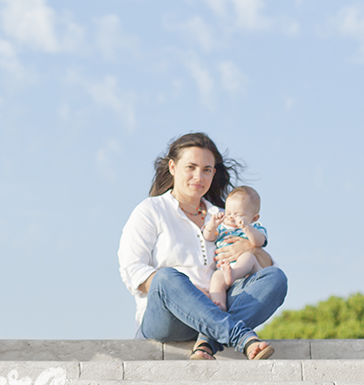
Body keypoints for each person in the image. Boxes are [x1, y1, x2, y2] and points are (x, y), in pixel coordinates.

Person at [118, 132, 288, 360]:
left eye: (207, 169)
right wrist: (189, 293)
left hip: (219, 303)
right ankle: (239, 336)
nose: (199, 176)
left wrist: (252, 249)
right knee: (166, 277)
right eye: (191, 167)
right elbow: (133, 271)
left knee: (276, 278)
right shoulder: (151, 210)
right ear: (172, 167)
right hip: (168, 319)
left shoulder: (224, 216)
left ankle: (207, 340)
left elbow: (266, 270)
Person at [201, 185, 271, 311]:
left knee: (248, 256)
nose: (232, 217)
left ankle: (234, 273)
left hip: (248, 274)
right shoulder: (222, 228)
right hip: (225, 271)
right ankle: (219, 304)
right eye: (228, 213)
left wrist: (246, 227)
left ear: (254, 218)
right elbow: (208, 236)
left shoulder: (254, 228)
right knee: (216, 277)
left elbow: (258, 242)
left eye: (238, 214)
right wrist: (212, 225)